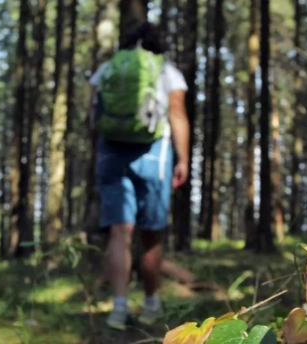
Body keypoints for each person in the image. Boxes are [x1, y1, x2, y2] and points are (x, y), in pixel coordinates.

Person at [87, 22, 190, 330]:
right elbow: (177, 115)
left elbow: (91, 115)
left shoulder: (106, 69)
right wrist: (183, 158)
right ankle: (150, 303)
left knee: (120, 233)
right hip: (153, 155)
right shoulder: (166, 71)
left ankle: (118, 308)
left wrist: (102, 151)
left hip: (111, 153)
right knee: (151, 232)